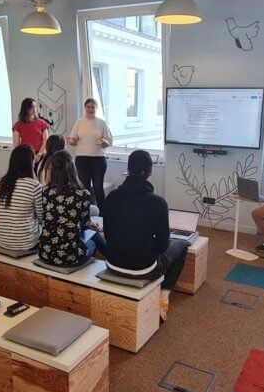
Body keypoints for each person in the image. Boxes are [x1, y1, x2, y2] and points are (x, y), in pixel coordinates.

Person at [102, 150, 187, 296]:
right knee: (182, 245)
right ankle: (164, 294)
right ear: (150, 172)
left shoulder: (112, 197)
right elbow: (162, 246)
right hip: (144, 269)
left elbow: (108, 235)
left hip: (112, 264)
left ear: (127, 170)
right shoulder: (159, 203)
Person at [39, 150, 107, 267]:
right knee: (94, 236)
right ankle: (114, 258)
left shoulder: (46, 191)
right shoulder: (82, 193)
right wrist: (89, 223)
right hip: (72, 257)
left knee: (90, 233)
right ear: (72, 169)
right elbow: (85, 226)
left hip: (46, 253)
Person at [0, 145, 44, 252]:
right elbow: (41, 217)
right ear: (30, 162)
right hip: (26, 241)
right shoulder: (34, 185)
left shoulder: (1, 182)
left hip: (1, 239)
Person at [67, 98, 113, 211]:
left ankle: (102, 213)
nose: (90, 109)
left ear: (96, 108)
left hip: (98, 159)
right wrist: (72, 141)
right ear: (85, 108)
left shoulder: (101, 123)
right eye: (88, 107)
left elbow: (109, 142)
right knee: (84, 187)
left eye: (93, 107)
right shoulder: (79, 122)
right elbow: (74, 140)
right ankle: (85, 212)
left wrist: (104, 143)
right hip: (82, 159)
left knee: (98, 187)